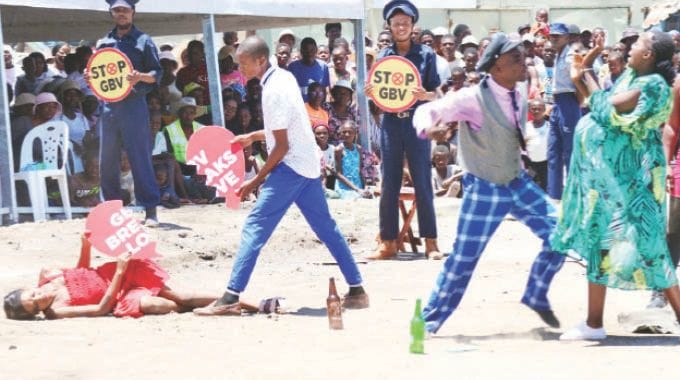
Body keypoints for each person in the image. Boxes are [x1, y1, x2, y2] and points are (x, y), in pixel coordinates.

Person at [193, 36, 369, 316]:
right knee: (326, 228)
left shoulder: (273, 90)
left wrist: (255, 180)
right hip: (307, 163)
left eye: (243, 63)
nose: (240, 68)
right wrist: (253, 136)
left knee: (255, 225)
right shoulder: (284, 78)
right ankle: (358, 290)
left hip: (291, 165)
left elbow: (282, 145)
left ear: (260, 60)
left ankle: (231, 297)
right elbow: (290, 129)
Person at [412, 33, 566, 334]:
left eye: (523, 56)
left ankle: (535, 293)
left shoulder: (518, 92)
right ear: (496, 67)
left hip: (517, 182)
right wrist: (427, 127)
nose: (524, 62)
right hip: (484, 188)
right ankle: (427, 323)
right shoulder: (472, 98)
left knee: (561, 234)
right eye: (516, 59)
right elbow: (427, 110)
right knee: (463, 260)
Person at [553, 31, 680, 340]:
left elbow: (607, 109)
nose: (629, 48)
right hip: (611, 183)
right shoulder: (631, 78)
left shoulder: (653, 86)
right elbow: (594, 105)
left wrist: (586, 73)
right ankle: (594, 324)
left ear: (648, 55)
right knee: (601, 243)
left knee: (651, 249)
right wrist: (585, 71)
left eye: (636, 44)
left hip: (634, 184)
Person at [364, 0, 443, 260]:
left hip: (416, 121)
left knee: (422, 180)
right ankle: (388, 241)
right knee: (389, 181)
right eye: (396, 23)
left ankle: (431, 242)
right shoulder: (383, 56)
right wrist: (372, 94)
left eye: (405, 23)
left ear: (413, 26)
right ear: (390, 26)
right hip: (390, 123)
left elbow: (437, 93)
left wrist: (425, 94)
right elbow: (379, 98)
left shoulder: (426, 55)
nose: (401, 27)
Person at [3, 233, 219, 320]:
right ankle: (200, 307)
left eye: (31, 294)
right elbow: (101, 309)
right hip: (118, 294)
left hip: (117, 272)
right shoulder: (56, 311)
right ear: (37, 313)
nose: (38, 296)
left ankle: (238, 301)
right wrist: (119, 271)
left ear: (27, 287)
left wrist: (85, 246)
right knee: (154, 305)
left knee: (182, 295)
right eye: (34, 304)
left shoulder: (48, 274)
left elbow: (81, 272)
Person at [92, 0, 162, 225]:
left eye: (125, 10)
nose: (121, 14)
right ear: (111, 12)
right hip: (109, 106)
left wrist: (139, 76)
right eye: (117, 10)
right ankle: (111, 210)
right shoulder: (104, 42)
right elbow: (97, 72)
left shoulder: (144, 41)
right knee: (107, 160)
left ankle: (150, 210)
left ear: (133, 12)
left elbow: (156, 74)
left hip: (134, 105)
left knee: (139, 157)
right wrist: (90, 77)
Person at [547, 22, 581, 201]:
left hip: (568, 101)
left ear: (567, 38)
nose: (553, 39)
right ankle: (554, 194)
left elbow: (578, 81)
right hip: (557, 102)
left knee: (570, 150)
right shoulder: (557, 56)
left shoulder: (570, 56)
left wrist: (577, 102)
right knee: (553, 150)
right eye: (551, 36)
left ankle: (573, 195)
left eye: (557, 36)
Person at [334, 121, 370, 199]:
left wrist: (365, 186)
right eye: (344, 132)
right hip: (344, 187)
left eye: (350, 132)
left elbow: (359, 171)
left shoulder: (358, 149)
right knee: (357, 198)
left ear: (355, 134)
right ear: (340, 134)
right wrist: (356, 189)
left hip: (358, 184)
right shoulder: (339, 150)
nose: (347, 134)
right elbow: (339, 174)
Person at [287, 37, 330, 102]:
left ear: (316, 50)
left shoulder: (323, 67)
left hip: (317, 109)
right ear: (301, 51)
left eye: (312, 50)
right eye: (306, 50)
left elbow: (325, 90)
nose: (309, 53)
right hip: (300, 109)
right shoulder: (292, 67)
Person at [523, 98, 550, 191]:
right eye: (533, 109)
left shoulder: (550, 127)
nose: (536, 111)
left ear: (544, 110)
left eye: (539, 109)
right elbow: (521, 146)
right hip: (531, 165)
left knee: (545, 189)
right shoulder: (526, 127)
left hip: (546, 164)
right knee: (531, 189)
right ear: (530, 110)